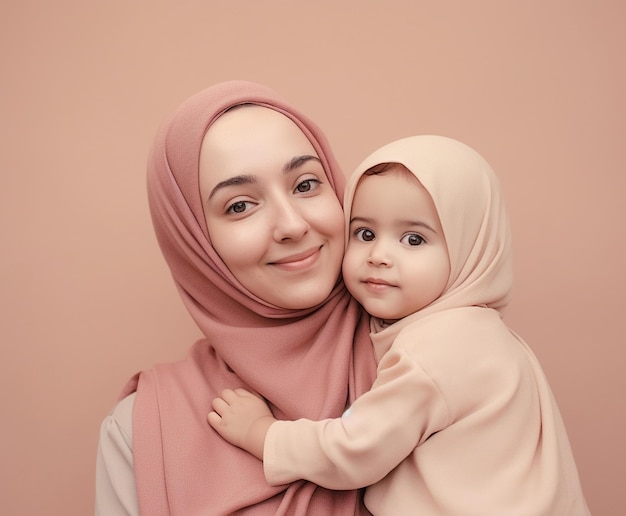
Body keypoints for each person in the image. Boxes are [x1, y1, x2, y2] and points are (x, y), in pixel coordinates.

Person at [208, 135, 591, 515]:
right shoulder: (481, 333)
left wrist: (260, 431)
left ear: (467, 248)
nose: (379, 256)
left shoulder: (440, 347)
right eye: (365, 234)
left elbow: (356, 447)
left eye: (413, 239)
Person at [95, 80, 377, 515]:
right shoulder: (145, 429)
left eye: (305, 185)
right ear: (192, 241)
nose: (291, 225)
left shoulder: (438, 362)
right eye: (240, 206)